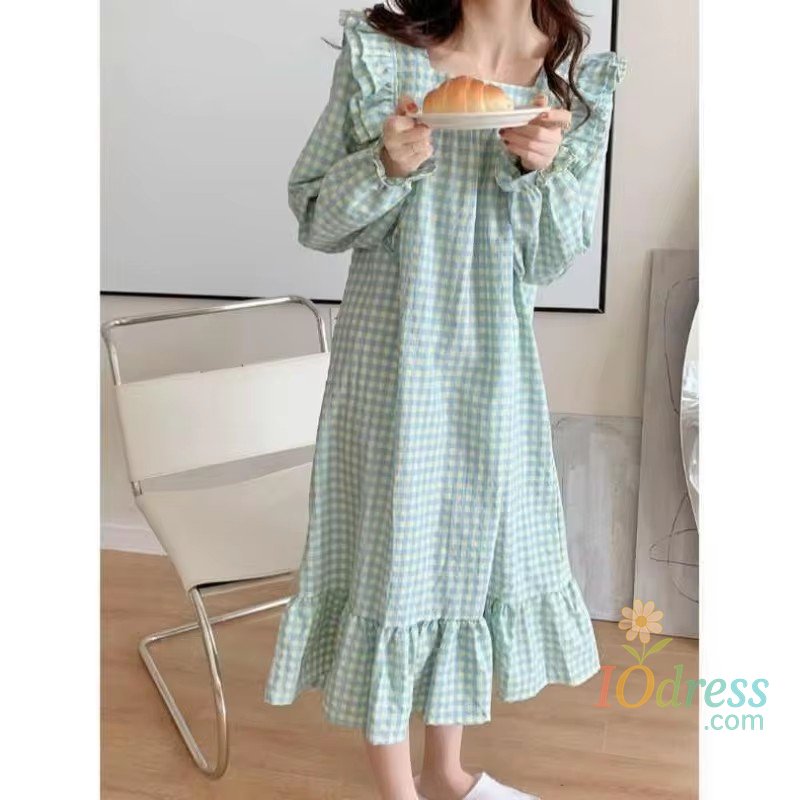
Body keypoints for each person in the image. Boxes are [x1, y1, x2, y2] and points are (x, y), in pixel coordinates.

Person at [265, 2, 627, 798]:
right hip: (390, 359)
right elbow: (316, 217)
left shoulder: (570, 85)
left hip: (495, 365)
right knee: (391, 557)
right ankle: (400, 789)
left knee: (465, 553)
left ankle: (446, 770)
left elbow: (551, 257)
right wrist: (386, 165)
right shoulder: (383, 58)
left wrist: (539, 170)